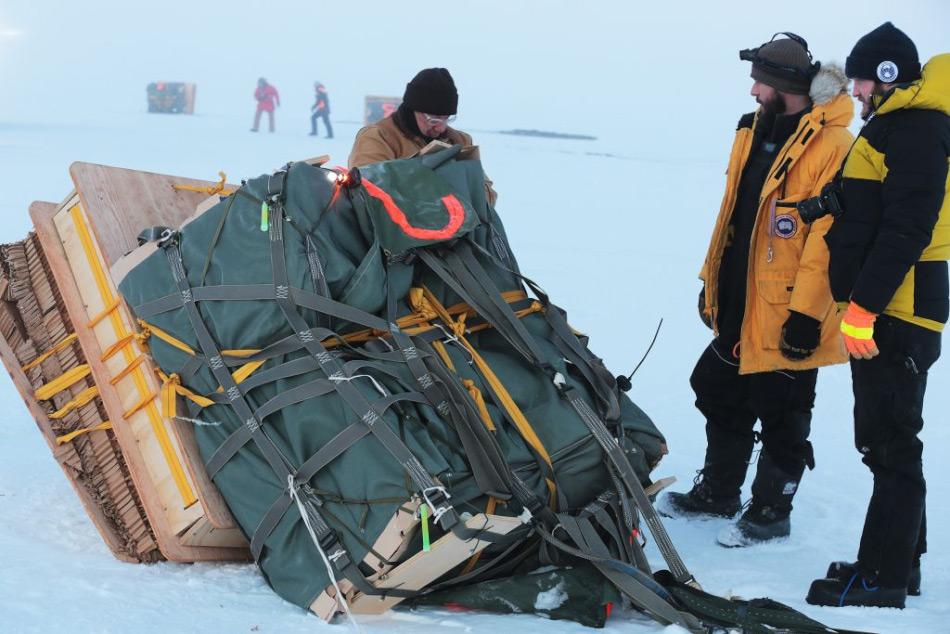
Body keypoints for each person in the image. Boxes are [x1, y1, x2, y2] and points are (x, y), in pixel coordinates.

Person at [657, 33, 854, 547]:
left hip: (790, 308)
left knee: (783, 412)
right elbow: (732, 218)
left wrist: (807, 317)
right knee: (717, 388)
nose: (751, 92)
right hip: (740, 300)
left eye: (759, 82)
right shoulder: (752, 132)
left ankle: (771, 511)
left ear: (784, 84)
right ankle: (719, 492)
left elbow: (827, 241)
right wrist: (712, 284)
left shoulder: (832, 146)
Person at [806, 23, 949, 609]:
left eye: (862, 79)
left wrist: (861, 310)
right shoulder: (898, 127)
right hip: (889, 305)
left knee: (890, 443)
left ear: (887, 75)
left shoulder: (917, 130)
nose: (857, 91)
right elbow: (879, 202)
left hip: (897, 308)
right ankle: (898, 563)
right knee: (889, 438)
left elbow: (907, 228)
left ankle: (882, 578)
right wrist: (830, 202)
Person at [349, 67, 496, 204]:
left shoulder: (460, 141)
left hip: (457, 229)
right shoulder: (378, 138)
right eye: (434, 120)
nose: (441, 127)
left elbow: (488, 197)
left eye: (447, 118)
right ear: (413, 110)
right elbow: (367, 194)